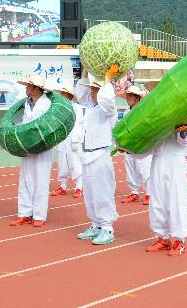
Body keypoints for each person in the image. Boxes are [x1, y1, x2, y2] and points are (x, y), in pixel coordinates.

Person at [74, 65, 120, 245]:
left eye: (95, 90)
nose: (92, 92)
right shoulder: (90, 107)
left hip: (100, 154)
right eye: (92, 89)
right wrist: (85, 69)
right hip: (86, 155)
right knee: (90, 194)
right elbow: (80, 93)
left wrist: (108, 78)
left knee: (102, 193)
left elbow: (107, 99)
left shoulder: (108, 109)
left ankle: (107, 228)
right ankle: (96, 225)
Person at [9, 74, 55, 228]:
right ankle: (24, 213)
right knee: (25, 181)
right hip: (27, 146)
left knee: (40, 181)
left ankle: (39, 215)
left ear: (36, 89)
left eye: (28, 86)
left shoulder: (46, 104)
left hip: (42, 147)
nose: (26, 88)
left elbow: (36, 125)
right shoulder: (28, 103)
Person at [144, 123, 187, 257]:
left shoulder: (182, 111)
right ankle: (162, 238)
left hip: (175, 159)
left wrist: (184, 130)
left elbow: (186, 141)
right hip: (157, 159)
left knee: (177, 199)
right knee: (157, 201)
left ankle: (179, 240)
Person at [120, 85, 152, 205]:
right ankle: (134, 193)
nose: (128, 98)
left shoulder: (144, 110)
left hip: (142, 145)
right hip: (129, 146)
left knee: (144, 169)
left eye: (130, 95)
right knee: (131, 169)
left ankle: (149, 193)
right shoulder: (126, 112)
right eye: (127, 95)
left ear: (137, 98)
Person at [51, 85, 84, 199]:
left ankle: (79, 187)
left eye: (64, 93)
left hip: (72, 138)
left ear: (69, 95)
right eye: (61, 93)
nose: (62, 95)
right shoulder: (58, 108)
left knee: (75, 163)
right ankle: (63, 186)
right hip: (62, 138)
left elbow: (79, 124)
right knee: (62, 164)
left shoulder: (77, 108)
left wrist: (76, 139)